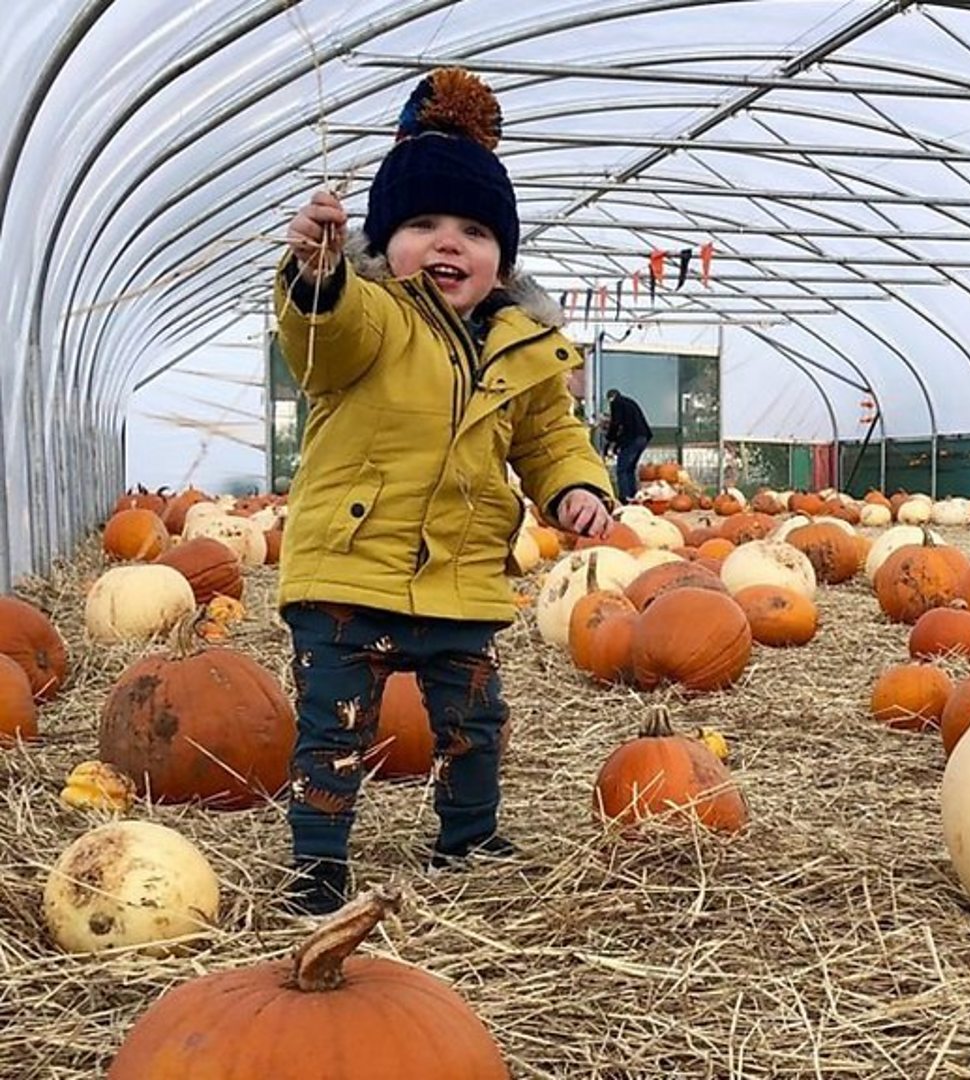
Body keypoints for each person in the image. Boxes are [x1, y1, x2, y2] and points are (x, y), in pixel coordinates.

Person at [277, 67, 614, 916]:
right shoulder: (372, 317)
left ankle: (470, 837)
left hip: (460, 578)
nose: (446, 243)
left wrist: (574, 487)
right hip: (348, 572)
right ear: (384, 244)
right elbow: (325, 331)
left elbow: (548, 434)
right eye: (420, 224)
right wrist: (315, 275)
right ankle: (318, 863)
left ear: (502, 257)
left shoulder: (525, 345)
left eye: (472, 229)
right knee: (334, 728)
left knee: (475, 725)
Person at [602, 387, 652, 502]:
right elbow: (627, 425)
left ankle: (624, 497)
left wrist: (609, 439)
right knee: (630, 468)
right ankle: (633, 495)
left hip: (633, 438)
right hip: (643, 437)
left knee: (622, 469)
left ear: (611, 398)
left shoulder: (616, 403)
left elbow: (616, 424)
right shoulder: (629, 402)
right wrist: (617, 444)